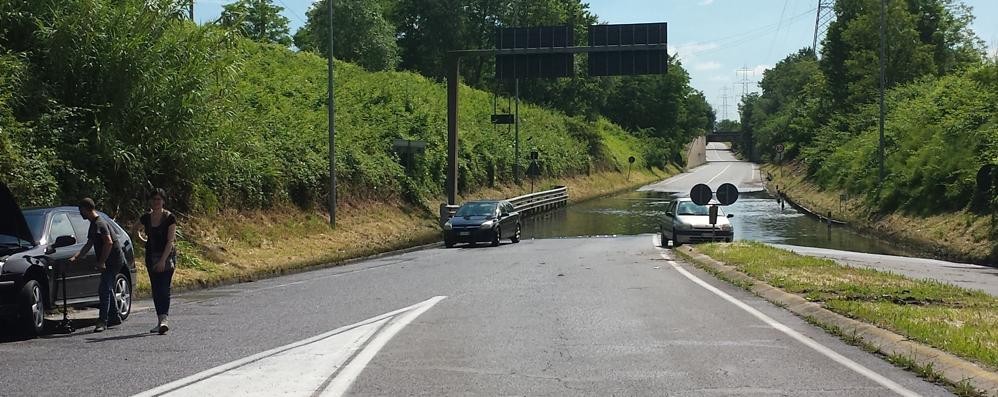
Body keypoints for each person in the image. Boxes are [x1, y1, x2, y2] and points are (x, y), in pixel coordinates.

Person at [70, 198, 125, 333]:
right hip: (110, 260)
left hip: (114, 260)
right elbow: (90, 243)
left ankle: (102, 321)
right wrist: (77, 256)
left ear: (85, 209)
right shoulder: (93, 224)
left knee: (104, 289)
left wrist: (102, 261)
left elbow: (109, 243)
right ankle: (115, 317)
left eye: (80, 210)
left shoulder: (100, 223)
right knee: (107, 287)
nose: (80, 213)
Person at [136, 188, 177, 335]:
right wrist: (143, 241)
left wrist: (162, 261)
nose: (156, 202)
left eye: (159, 199)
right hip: (151, 256)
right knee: (155, 289)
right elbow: (135, 230)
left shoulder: (169, 218)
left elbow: (170, 241)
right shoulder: (146, 218)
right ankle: (160, 321)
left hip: (166, 256)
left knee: (163, 288)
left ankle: (164, 319)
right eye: (154, 199)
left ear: (163, 201)